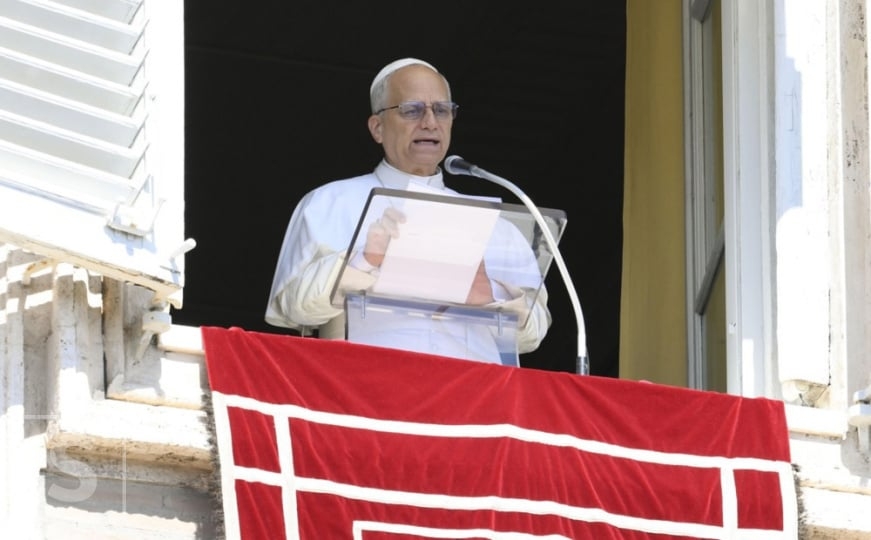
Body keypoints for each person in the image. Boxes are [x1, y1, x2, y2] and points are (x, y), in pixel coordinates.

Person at [264, 57, 551, 365]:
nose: (430, 122)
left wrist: (490, 295)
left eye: (441, 110)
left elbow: (532, 336)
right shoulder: (330, 202)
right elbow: (292, 309)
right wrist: (365, 261)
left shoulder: (498, 226)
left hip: (476, 391)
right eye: (411, 110)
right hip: (368, 384)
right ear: (377, 128)